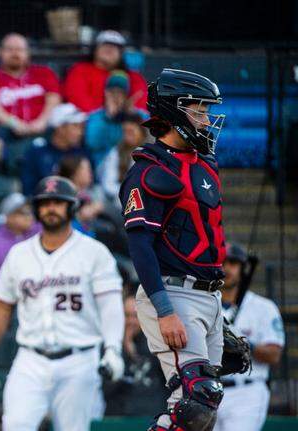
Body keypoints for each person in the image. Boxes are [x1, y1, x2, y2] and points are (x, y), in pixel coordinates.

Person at [119, 69, 235, 430]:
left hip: (208, 295)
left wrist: (217, 311)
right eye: (198, 110)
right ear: (173, 112)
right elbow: (140, 246)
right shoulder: (149, 170)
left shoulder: (204, 165)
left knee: (197, 408)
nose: (205, 119)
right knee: (198, 398)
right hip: (171, 292)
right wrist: (165, 310)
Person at [0, 176, 124, 431]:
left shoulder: (94, 252)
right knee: (16, 424)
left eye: (58, 202)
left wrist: (113, 348)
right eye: (45, 203)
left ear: (71, 207)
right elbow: (0, 305)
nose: (51, 208)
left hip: (79, 357)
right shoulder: (19, 254)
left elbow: (110, 304)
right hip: (31, 358)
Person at [214, 243, 284, 431]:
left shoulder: (263, 307)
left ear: (242, 268)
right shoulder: (204, 305)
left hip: (246, 392)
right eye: (222, 262)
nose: (227, 268)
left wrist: (242, 343)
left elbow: (274, 355)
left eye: (233, 263)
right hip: (208, 390)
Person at [0, 33, 61, 140]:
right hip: (8, 131)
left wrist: (42, 121)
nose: (15, 53)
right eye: (9, 49)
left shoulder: (44, 73)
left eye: (19, 49)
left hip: (44, 127)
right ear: (0, 53)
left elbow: (54, 98)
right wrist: (14, 123)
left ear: (27, 53)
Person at [103, 294, 169, 416]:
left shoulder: (156, 343)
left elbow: (166, 383)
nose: (130, 321)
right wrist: (124, 350)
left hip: (150, 415)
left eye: (135, 316)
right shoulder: (110, 346)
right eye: (126, 316)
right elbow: (106, 388)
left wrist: (134, 354)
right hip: (118, 416)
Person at [62, 30, 147, 113]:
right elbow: (76, 97)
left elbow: (140, 102)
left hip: (125, 122)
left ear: (121, 55)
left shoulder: (133, 77)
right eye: (105, 44)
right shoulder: (80, 69)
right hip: (87, 120)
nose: (109, 48)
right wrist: (101, 118)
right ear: (95, 50)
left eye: (115, 47)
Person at [85, 71, 148, 169]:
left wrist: (132, 117)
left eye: (120, 93)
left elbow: (148, 140)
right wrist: (110, 118)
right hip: (103, 169)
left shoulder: (139, 115)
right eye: (112, 92)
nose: (116, 97)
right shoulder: (96, 117)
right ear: (105, 94)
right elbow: (93, 143)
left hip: (134, 166)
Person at [20, 103, 88, 195]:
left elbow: (88, 185)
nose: (80, 132)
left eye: (81, 127)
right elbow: (28, 188)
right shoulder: (37, 153)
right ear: (60, 128)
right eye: (75, 126)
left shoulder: (80, 152)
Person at [0, 192, 40, 287]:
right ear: (8, 217)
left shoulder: (39, 231)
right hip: (7, 292)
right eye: (24, 213)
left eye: (30, 212)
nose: (29, 217)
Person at [98, 112, 148, 199]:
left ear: (141, 131)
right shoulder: (116, 151)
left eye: (131, 131)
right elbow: (108, 184)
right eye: (125, 131)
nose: (127, 136)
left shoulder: (151, 151)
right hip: (122, 198)